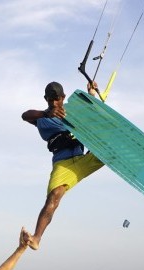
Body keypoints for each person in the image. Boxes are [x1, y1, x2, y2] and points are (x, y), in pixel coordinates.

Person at [21, 81, 104, 250]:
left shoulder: (73, 111)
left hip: (83, 161)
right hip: (63, 164)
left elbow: (92, 115)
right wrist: (47, 113)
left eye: (57, 99)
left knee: (110, 153)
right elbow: (25, 115)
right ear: (46, 99)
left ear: (63, 97)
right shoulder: (42, 119)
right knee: (54, 196)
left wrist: (92, 94)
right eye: (50, 100)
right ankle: (37, 238)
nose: (54, 103)